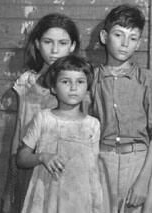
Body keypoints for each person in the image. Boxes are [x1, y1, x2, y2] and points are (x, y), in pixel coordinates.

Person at [91, 4, 152, 213]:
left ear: (138, 43)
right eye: (118, 35)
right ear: (104, 36)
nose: (125, 44)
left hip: (138, 161)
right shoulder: (92, 79)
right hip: (100, 161)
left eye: (133, 38)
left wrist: (144, 179)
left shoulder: (147, 80)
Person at [1, 13, 81, 213]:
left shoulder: (78, 85)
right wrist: (13, 170)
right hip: (27, 162)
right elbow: (20, 127)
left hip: (61, 167)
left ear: (72, 46)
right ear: (37, 43)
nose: (55, 50)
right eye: (48, 42)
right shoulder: (26, 81)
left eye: (62, 43)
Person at [16, 55, 102, 213]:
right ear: (54, 88)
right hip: (47, 197)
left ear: (88, 88)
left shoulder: (93, 125)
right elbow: (21, 158)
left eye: (80, 82)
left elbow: (93, 170)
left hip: (79, 200)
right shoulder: (44, 118)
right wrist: (42, 157)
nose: (73, 87)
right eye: (65, 82)